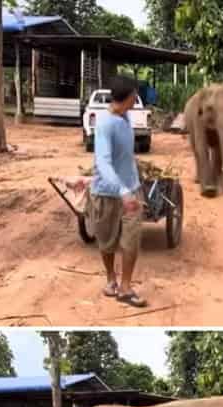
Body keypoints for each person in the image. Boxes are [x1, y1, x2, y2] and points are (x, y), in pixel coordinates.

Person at [91, 75, 147, 307]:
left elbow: (126, 155)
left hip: (131, 192)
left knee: (131, 241)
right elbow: (103, 163)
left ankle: (125, 287)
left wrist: (133, 182)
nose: (136, 99)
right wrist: (122, 190)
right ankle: (111, 280)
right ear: (128, 97)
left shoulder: (125, 118)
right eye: (135, 95)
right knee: (106, 242)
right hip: (107, 193)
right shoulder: (105, 124)